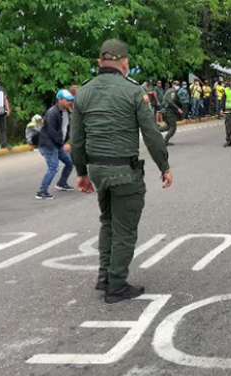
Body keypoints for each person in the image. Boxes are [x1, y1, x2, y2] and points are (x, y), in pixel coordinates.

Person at [70, 39, 172, 303]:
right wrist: (164, 166)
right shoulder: (134, 92)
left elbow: (77, 139)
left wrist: (81, 173)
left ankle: (104, 277)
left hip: (97, 170)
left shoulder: (84, 92)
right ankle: (116, 285)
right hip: (124, 171)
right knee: (125, 229)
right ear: (124, 63)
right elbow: (151, 134)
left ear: (99, 63)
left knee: (107, 222)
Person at [36, 89, 75, 199]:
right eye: (68, 100)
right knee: (53, 167)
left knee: (69, 163)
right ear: (60, 100)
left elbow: (66, 129)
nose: (70, 102)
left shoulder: (66, 111)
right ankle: (42, 192)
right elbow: (52, 132)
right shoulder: (52, 113)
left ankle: (61, 183)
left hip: (57, 144)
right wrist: (62, 144)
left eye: (71, 100)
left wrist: (67, 142)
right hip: (48, 145)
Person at [161, 81, 184, 146]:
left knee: (169, 126)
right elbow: (170, 101)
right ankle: (165, 141)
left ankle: (156, 130)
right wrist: (178, 109)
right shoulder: (172, 91)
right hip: (168, 111)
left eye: (178, 84)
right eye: (176, 84)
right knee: (173, 127)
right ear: (173, 85)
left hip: (166, 111)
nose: (178, 86)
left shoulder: (171, 91)